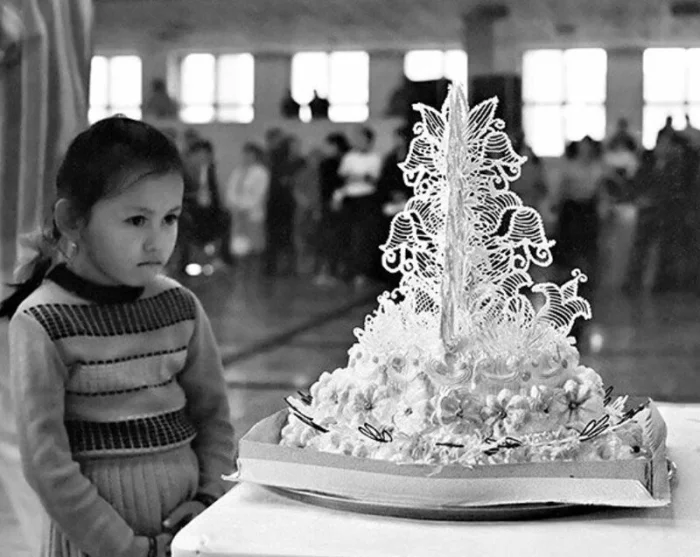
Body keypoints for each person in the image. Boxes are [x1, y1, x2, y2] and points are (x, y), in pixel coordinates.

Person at [0, 116, 235, 557]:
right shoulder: (42, 321)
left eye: (169, 218)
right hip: (94, 545)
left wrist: (208, 502)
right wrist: (126, 548)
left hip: (186, 539)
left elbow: (214, 419)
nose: (157, 241)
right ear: (73, 219)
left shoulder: (180, 306)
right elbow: (47, 464)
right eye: (136, 220)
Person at [335, 125, 383, 287]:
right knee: (348, 235)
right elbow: (344, 177)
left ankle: (362, 272)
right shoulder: (349, 157)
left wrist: (359, 177)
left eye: (361, 138)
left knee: (363, 236)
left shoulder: (375, 158)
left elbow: (373, 179)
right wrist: (359, 177)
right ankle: (348, 270)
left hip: (366, 199)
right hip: (350, 199)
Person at [315, 132, 350, 285]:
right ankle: (329, 270)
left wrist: (337, 198)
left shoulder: (344, 161)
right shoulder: (325, 163)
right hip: (327, 204)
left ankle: (337, 270)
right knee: (328, 238)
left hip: (341, 204)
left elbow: (341, 183)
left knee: (337, 238)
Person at [226, 142, 270, 258]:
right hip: (237, 215)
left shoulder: (261, 172)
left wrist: (244, 207)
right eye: (245, 154)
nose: (246, 157)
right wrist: (235, 205)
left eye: (249, 154)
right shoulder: (238, 171)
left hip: (252, 215)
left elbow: (258, 195)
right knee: (239, 249)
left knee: (254, 249)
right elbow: (230, 191)